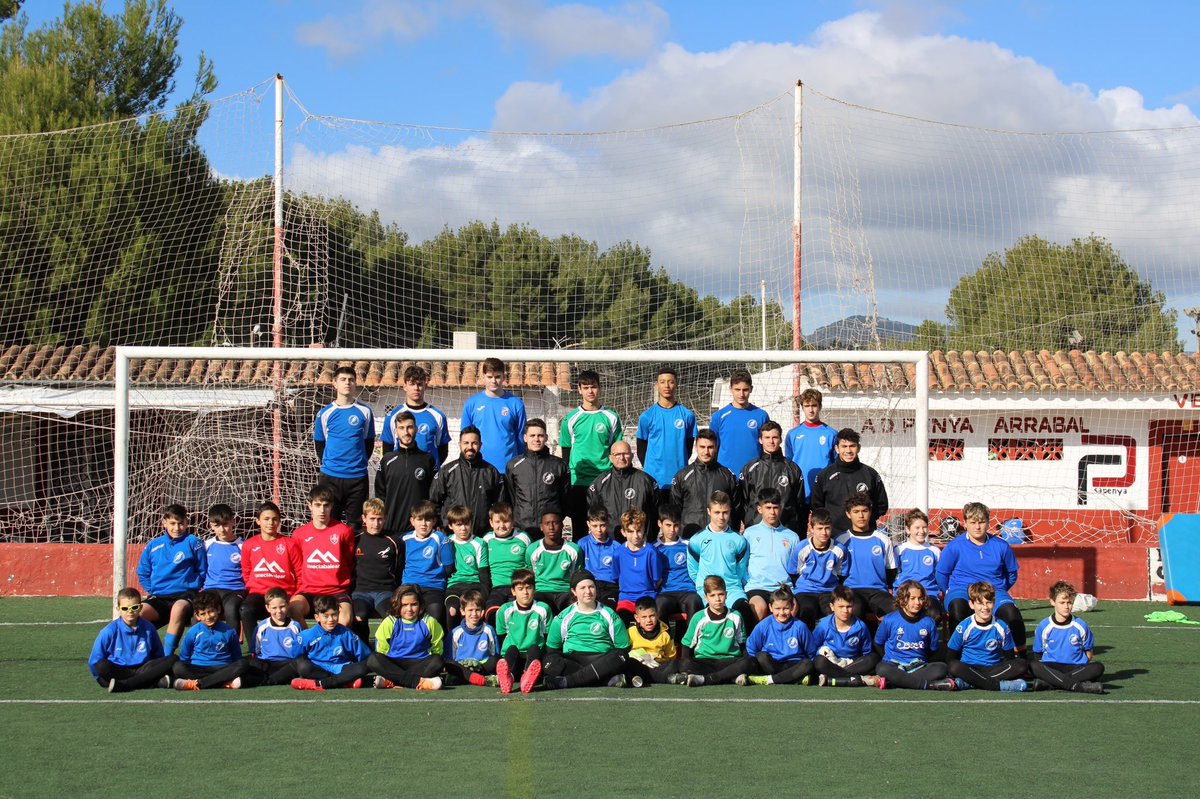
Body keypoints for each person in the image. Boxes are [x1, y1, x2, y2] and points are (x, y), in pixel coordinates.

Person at [936, 502, 1025, 650]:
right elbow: (941, 574)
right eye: (973, 522)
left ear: (988, 522)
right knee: (957, 607)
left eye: (981, 522)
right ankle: (957, 656)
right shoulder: (954, 546)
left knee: (1012, 614)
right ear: (965, 523)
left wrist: (1000, 589)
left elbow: (1011, 573)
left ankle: (1020, 656)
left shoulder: (1001, 546)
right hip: (962, 590)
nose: (977, 527)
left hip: (993, 591)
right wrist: (948, 592)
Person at [543, 570, 631, 689]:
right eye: (582, 588)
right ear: (574, 591)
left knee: (620, 656)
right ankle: (605, 680)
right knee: (549, 661)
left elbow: (623, 648)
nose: (588, 591)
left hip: (602, 659)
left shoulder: (609, 614)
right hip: (573, 660)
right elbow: (552, 649)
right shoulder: (563, 617)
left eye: (591, 587)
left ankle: (566, 682)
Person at [136, 503, 205, 655]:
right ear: (164, 523)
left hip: (185, 596)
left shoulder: (194, 543)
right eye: (173, 523)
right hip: (159, 597)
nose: (177, 528)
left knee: (178, 608)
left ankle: (167, 656)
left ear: (187, 522)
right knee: (138, 613)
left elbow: (202, 571)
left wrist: (193, 586)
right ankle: (138, 655)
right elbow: (143, 572)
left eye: (181, 523)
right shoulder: (153, 546)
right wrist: (153, 589)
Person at [560, 369, 622, 538]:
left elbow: (617, 450)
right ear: (579, 389)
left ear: (599, 388)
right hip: (578, 480)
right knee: (579, 526)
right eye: (586, 387)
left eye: (593, 387)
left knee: (605, 525)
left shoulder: (611, 417)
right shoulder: (570, 419)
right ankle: (580, 563)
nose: (590, 391)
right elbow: (566, 450)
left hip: (604, 479)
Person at [312, 364, 374, 530]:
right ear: (335, 383)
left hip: (357, 477)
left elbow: (368, 443)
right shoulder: (324, 413)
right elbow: (320, 444)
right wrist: (333, 465)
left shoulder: (365, 412)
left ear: (355, 384)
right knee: (329, 522)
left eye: (351, 380)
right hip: (331, 477)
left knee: (355, 524)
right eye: (343, 379)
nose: (347, 383)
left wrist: (356, 463)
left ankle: (354, 556)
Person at [946, 581, 1034, 692]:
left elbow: (1009, 658)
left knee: (1022, 664)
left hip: (993, 669)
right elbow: (950, 657)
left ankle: (970, 683)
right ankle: (998, 686)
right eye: (980, 603)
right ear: (971, 605)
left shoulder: (1002, 627)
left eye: (989, 602)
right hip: (969, 668)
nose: (985, 607)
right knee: (953, 666)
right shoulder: (963, 627)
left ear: (994, 603)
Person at [289, 484, 356, 628]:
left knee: (345, 618)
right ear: (310, 506)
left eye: (326, 505)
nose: (322, 510)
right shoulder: (299, 535)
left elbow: (349, 560)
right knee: (293, 609)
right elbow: (298, 566)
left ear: (331, 506)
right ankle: (312, 641)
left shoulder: (343, 531)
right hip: (309, 591)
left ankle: (334, 648)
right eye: (317, 505)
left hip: (337, 591)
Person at [686, 491, 754, 632]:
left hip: (731, 589)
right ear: (709, 511)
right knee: (702, 617)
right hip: (707, 590)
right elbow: (693, 570)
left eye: (725, 512)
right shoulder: (697, 540)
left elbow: (741, 570)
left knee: (745, 612)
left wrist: (735, 584)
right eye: (717, 512)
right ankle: (693, 652)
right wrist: (703, 585)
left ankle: (746, 652)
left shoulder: (739, 540)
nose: (721, 517)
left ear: (730, 512)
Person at [671, 575, 754, 687]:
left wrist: (746, 663)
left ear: (726, 595)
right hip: (705, 661)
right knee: (685, 664)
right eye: (713, 595)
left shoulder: (735, 616)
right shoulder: (699, 617)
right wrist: (684, 667)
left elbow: (742, 643)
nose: (717, 599)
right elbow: (687, 644)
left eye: (721, 594)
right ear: (706, 598)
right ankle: (731, 677)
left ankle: (706, 679)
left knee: (749, 662)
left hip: (729, 660)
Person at [88, 587, 176, 692]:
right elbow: (94, 661)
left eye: (134, 607)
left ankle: (126, 685)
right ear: (118, 609)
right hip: (119, 670)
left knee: (173, 659)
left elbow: (158, 656)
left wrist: (157, 669)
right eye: (125, 609)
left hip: (142, 668)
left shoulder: (149, 628)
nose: (130, 612)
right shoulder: (109, 631)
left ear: (140, 607)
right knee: (101, 666)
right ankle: (152, 682)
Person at [874, 581, 955, 691]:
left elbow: (932, 649)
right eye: (912, 598)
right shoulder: (890, 620)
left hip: (918, 667)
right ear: (902, 600)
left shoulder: (928, 622)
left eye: (920, 598)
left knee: (941, 668)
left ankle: (895, 682)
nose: (917, 602)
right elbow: (878, 643)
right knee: (882, 668)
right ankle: (928, 685)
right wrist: (890, 658)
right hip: (894, 666)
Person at [1029, 581, 1105, 694]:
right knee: (1034, 666)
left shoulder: (1081, 625)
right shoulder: (1044, 626)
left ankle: (1051, 684)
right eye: (1062, 602)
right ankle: (1079, 686)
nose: (1066, 606)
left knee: (1098, 667)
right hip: (1052, 667)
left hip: (1075, 667)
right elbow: (1038, 655)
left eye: (1069, 602)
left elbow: (1089, 654)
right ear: (1052, 602)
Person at [636, 367, 697, 507]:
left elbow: (688, 447)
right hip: (653, 480)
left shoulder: (687, 416)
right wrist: (652, 470)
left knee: (676, 525)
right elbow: (641, 449)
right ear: (657, 386)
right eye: (662, 382)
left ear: (676, 384)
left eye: (671, 382)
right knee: (653, 524)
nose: (667, 386)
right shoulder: (647, 416)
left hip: (679, 479)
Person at [809, 428, 888, 534]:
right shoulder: (825, 475)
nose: (848, 451)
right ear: (837, 449)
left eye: (852, 446)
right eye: (844, 446)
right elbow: (816, 507)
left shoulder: (870, 474)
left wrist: (866, 521)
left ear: (858, 448)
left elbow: (882, 504)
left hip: (864, 535)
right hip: (834, 537)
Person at [239, 501, 297, 646]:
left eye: (274, 519)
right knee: (246, 609)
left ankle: (292, 648)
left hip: (284, 593)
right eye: (266, 519)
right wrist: (254, 586)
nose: (270, 523)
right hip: (258, 594)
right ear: (258, 521)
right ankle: (255, 650)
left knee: (291, 610)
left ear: (279, 521)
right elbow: (246, 572)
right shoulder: (249, 545)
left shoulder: (289, 544)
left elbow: (300, 571)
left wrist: (296, 593)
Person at [368, 584, 446, 690]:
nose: (409, 609)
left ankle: (391, 680)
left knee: (438, 661)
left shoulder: (429, 622)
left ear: (420, 605)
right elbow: (381, 651)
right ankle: (417, 682)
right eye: (404, 605)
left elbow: (437, 649)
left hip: (419, 663)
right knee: (373, 659)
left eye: (414, 604)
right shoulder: (390, 622)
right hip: (394, 663)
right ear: (397, 605)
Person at [430, 426, 503, 537]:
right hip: (452, 536)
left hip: (482, 536)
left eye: (474, 443)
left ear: (480, 445)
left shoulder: (491, 472)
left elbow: (500, 505)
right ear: (459, 445)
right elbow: (434, 502)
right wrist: (445, 523)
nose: (470, 447)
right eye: (466, 443)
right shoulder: (447, 471)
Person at [743, 488, 802, 622]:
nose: (772, 512)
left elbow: (796, 568)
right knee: (759, 608)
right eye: (768, 507)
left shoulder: (792, 536)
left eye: (775, 507)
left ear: (781, 508)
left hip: (782, 587)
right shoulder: (749, 534)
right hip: (757, 586)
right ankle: (757, 641)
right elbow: (743, 564)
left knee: (792, 609)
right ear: (759, 509)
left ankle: (787, 642)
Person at [290, 595, 372, 691]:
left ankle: (317, 683)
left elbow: (365, 656)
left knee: (364, 667)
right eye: (326, 616)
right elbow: (297, 657)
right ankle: (344, 682)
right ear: (317, 617)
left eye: (334, 615)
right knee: (302, 666)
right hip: (318, 669)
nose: (331, 619)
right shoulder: (307, 635)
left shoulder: (346, 634)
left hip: (341, 669)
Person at [835, 491, 896, 620]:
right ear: (848, 514)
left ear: (870, 512)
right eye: (856, 512)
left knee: (896, 611)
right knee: (854, 611)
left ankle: (881, 641)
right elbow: (836, 573)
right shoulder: (841, 541)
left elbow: (891, 570)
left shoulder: (883, 540)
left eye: (864, 511)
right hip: (851, 591)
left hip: (878, 591)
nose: (861, 515)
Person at [171, 590, 250, 690]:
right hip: (198, 668)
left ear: (218, 609)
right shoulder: (193, 632)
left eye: (211, 611)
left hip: (223, 668)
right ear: (197, 616)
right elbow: (184, 657)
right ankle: (222, 683)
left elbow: (236, 657)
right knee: (178, 667)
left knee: (242, 665)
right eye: (203, 614)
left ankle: (199, 684)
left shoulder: (229, 631)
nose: (208, 617)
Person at [504, 418, 568, 537]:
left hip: (550, 528)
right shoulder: (514, 465)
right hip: (522, 528)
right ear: (525, 438)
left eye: (540, 435)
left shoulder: (559, 465)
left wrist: (556, 518)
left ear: (546, 438)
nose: (536, 439)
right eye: (532, 435)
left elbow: (564, 498)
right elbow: (510, 496)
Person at [670, 428, 739, 538]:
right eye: (702, 447)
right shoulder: (682, 476)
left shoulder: (727, 475)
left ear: (716, 448)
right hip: (690, 536)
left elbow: (736, 508)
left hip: (721, 537)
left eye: (710, 447)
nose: (706, 452)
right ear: (696, 447)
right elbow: (674, 510)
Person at [375, 410, 435, 536]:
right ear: (396, 431)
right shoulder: (387, 460)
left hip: (419, 531)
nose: (406, 432)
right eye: (401, 428)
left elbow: (433, 495)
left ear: (416, 429)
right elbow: (380, 495)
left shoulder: (427, 459)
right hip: (391, 529)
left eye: (409, 427)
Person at [461, 356, 527, 472]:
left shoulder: (516, 404)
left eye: (497, 377)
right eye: (489, 377)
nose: (493, 381)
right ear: (483, 377)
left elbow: (521, 439)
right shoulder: (471, 404)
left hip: (508, 469)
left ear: (503, 377)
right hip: (479, 468)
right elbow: (465, 439)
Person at [351, 498, 402, 643]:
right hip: (361, 591)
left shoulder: (394, 541)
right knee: (359, 616)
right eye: (372, 519)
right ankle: (364, 651)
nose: (376, 523)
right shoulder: (355, 539)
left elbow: (399, 568)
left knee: (391, 617)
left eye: (380, 519)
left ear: (385, 518)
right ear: (364, 518)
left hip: (385, 591)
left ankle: (388, 651)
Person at [738, 421, 806, 530]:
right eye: (767, 437)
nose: (771, 441)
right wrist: (750, 520)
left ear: (780, 439)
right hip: (756, 528)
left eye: (775, 437)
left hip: (785, 529)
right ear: (760, 440)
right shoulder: (749, 469)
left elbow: (800, 504)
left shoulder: (792, 469)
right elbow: (742, 501)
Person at [743, 584, 816, 686]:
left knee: (807, 664)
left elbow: (811, 653)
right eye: (777, 608)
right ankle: (792, 679)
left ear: (792, 607)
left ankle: (771, 680)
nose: (781, 612)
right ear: (770, 608)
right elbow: (751, 649)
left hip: (793, 665)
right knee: (761, 656)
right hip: (771, 665)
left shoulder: (800, 627)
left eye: (785, 608)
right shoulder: (763, 625)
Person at [494, 569, 552, 694]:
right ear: (513, 591)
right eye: (520, 589)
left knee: (534, 648)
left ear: (534, 589)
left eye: (528, 588)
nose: (525, 592)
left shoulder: (543, 609)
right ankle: (508, 677)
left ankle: (527, 677)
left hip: (533, 658)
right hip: (514, 655)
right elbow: (502, 636)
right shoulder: (505, 610)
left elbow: (547, 636)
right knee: (511, 649)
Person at [786, 508, 846, 629]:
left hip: (829, 591)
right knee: (806, 613)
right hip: (806, 591)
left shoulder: (839, 549)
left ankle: (830, 645)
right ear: (811, 528)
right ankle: (807, 645)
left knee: (833, 615)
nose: (824, 532)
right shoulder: (802, 548)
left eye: (827, 528)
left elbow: (841, 574)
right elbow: (793, 573)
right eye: (819, 528)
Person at [399, 499, 455, 629]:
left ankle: (433, 648)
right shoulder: (404, 539)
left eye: (428, 520)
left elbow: (449, 568)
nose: (423, 524)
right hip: (409, 585)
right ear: (412, 521)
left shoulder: (441, 539)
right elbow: (399, 565)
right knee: (401, 613)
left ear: (434, 521)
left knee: (435, 615)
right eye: (419, 519)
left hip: (433, 586)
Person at [586, 440, 658, 540]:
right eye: (617, 454)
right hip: (610, 544)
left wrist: (650, 537)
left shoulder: (646, 481)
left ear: (632, 456)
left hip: (639, 543)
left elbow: (656, 513)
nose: (622, 458)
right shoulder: (599, 483)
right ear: (610, 458)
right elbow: (593, 515)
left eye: (625, 454)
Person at [380, 365, 450, 468]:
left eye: (419, 384)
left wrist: (429, 467)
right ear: (404, 386)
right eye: (412, 384)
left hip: (429, 475)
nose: (416, 388)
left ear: (425, 386)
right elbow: (387, 449)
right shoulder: (392, 416)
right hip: (401, 473)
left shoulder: (438, 416)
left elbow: (443, 450)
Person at [811, 586, 881, 687]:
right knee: (819, 661)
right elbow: (813, 648)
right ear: (832, 606)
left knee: (873, 658)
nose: (845, 611)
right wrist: (821, 651)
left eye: (849, 606)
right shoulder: (824, 624)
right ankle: (860, 679)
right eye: (841, 606)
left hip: (852, 663)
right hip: (831, 662)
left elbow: (866, 653)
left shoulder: (860, 627)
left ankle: (832, 678)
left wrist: (858, 662)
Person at [709, 368, 770, 476]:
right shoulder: (718, 417)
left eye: (745, 390)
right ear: (730, 389)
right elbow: (712, 447)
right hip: (725, 475)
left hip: (754, 474)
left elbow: (767, 448)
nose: (741, 394)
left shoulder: (761, 416)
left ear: (751, 389)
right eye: (737, 389)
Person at [653, 504, 703, 633]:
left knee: (695, 601)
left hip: (687, 591)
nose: (672, 530)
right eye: (668, 525)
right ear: (660, 524)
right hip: (665, 592)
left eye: (676, 525)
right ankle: (665, 646)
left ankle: (689, 648)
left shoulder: (688, 545)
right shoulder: (653, 548)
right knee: (660, 605)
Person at [201, 503, 245, 642]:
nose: (222, 529)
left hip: (235, 589)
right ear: (211, 525)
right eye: (217, 525)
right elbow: (201, 569)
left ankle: (233, 648)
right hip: (211, 588)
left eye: (225, 524)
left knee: (231, 609)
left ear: (233, 522)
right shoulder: (206, 545)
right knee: (201, 607)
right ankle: (202, 646)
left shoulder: (242, 545)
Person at [445, 505, 492, 630]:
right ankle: (452, 643)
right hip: (454, 587)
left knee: (476, 611)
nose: (463, 528)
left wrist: (484, 597)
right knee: (452, 611)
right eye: (458, 524)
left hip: (474, 585)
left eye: (466, 524)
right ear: (451, 526)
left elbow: (484, 574)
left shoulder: (479, 543)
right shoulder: (446, 542)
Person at [612, 509, 663, 624]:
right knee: (620, 622)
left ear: (644, 529)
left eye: (638, 530)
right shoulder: (618, 553)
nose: (635, 535)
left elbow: (657, 579)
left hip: (647, 596)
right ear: (623, 532)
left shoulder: (651, 552)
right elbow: (615, 577)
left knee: (648, 624)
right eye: (630, 531)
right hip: (626, 598)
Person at [785, 388, 837, 497]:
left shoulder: (831, 434)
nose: (811, 410)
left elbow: (836, 464)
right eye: (807, 406)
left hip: (825, 490)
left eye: (814, 405)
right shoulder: (792, 434)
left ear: (820, 407)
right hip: (800, 490)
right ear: (802, 408)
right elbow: (789, 464)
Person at [248, 587, 305, 687]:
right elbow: (255, 651)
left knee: (301, 664)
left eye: (282, 606)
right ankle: (280, 678)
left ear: (288, 605)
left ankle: (267, 680)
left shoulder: (295, 626)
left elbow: (301, 650)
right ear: (267, 608)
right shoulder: (261, 627)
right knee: (251, 663)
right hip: (267, 663)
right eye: (274, 608)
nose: (279, 611)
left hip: (287, 664)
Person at [894, 509, 944, 620]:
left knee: (934, 614)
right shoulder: (900, 550)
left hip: (928, 593)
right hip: (905, 594)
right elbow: (894, 574)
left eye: (924, 527)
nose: (921, 531)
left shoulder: (934, 551)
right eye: (917, 528)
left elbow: (939, 575)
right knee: (899, 616)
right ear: (907, 529)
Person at [527, 511, 582, 612]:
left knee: (573, 610)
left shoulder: (574, 550)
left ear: (562, 525)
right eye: (547, 523)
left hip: (565, 591)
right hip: (541, 591)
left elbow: (576, 576)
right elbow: (530, 574)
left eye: (555, 523)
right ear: (541, 527)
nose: (551, 527)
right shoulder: (532, 550)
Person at [444, 588, 500, 687]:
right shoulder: (456, 633)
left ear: (482, 611)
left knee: (497, 659)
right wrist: (463, 664)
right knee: (448, 664)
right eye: (470, 610)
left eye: (477, 610)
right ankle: (481, 679)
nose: (474, 614)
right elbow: (450, 657)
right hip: (462, 667)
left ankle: (466, 678)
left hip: (482, 667)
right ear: (462, 611)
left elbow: (494, 652)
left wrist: (480, 664)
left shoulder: (488, 630)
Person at [482, 502, 531, 613]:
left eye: (506, 521)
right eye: (497, 522)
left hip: (519, 587)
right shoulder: (486, 540)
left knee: (516, 612)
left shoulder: (523, 538)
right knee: (492, 611)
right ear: (491, 523)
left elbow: (531, 565)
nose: (502, 526)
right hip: (496, 588)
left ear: (512, 521)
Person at [624, 597, 679, 686]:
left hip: (657, 667)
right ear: (637, 618)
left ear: (657, 615)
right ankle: (663, 679)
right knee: (628, 663)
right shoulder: (630, 632)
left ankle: (640, 679)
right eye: (644, 617)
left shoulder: (665, 634)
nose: (649, 620)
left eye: (652, 616)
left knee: (675, 664)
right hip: (639, 665)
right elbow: (624, 651)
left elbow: (671, 656)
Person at [577, 506, 620, 608]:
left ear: (608, 523)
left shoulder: (616, 547)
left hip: (610, 586)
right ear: (588, 524)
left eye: (602, 525)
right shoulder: (582, 544)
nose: (599, 530)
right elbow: (578, 569)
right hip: (590, 584)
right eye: (594, 526)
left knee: (607, 609)